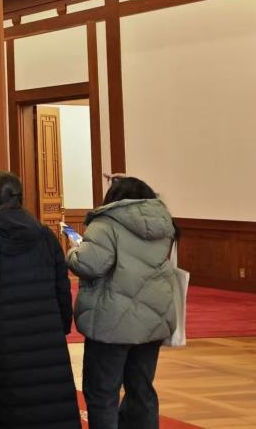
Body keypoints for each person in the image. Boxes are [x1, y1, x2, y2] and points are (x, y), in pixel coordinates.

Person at [0, 172, 80, 428]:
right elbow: (61, 284)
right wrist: (62, 324)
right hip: (45, 333)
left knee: (10, 406)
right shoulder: (44, 234)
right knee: (51, 401)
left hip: (1, 336)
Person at [67, 176, 176, 429]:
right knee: (142, 390)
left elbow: (90, 264)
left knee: (103, 392)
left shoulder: (106, 223)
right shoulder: (163, 222)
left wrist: (73, 251)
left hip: (112, 319)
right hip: (153, 317)